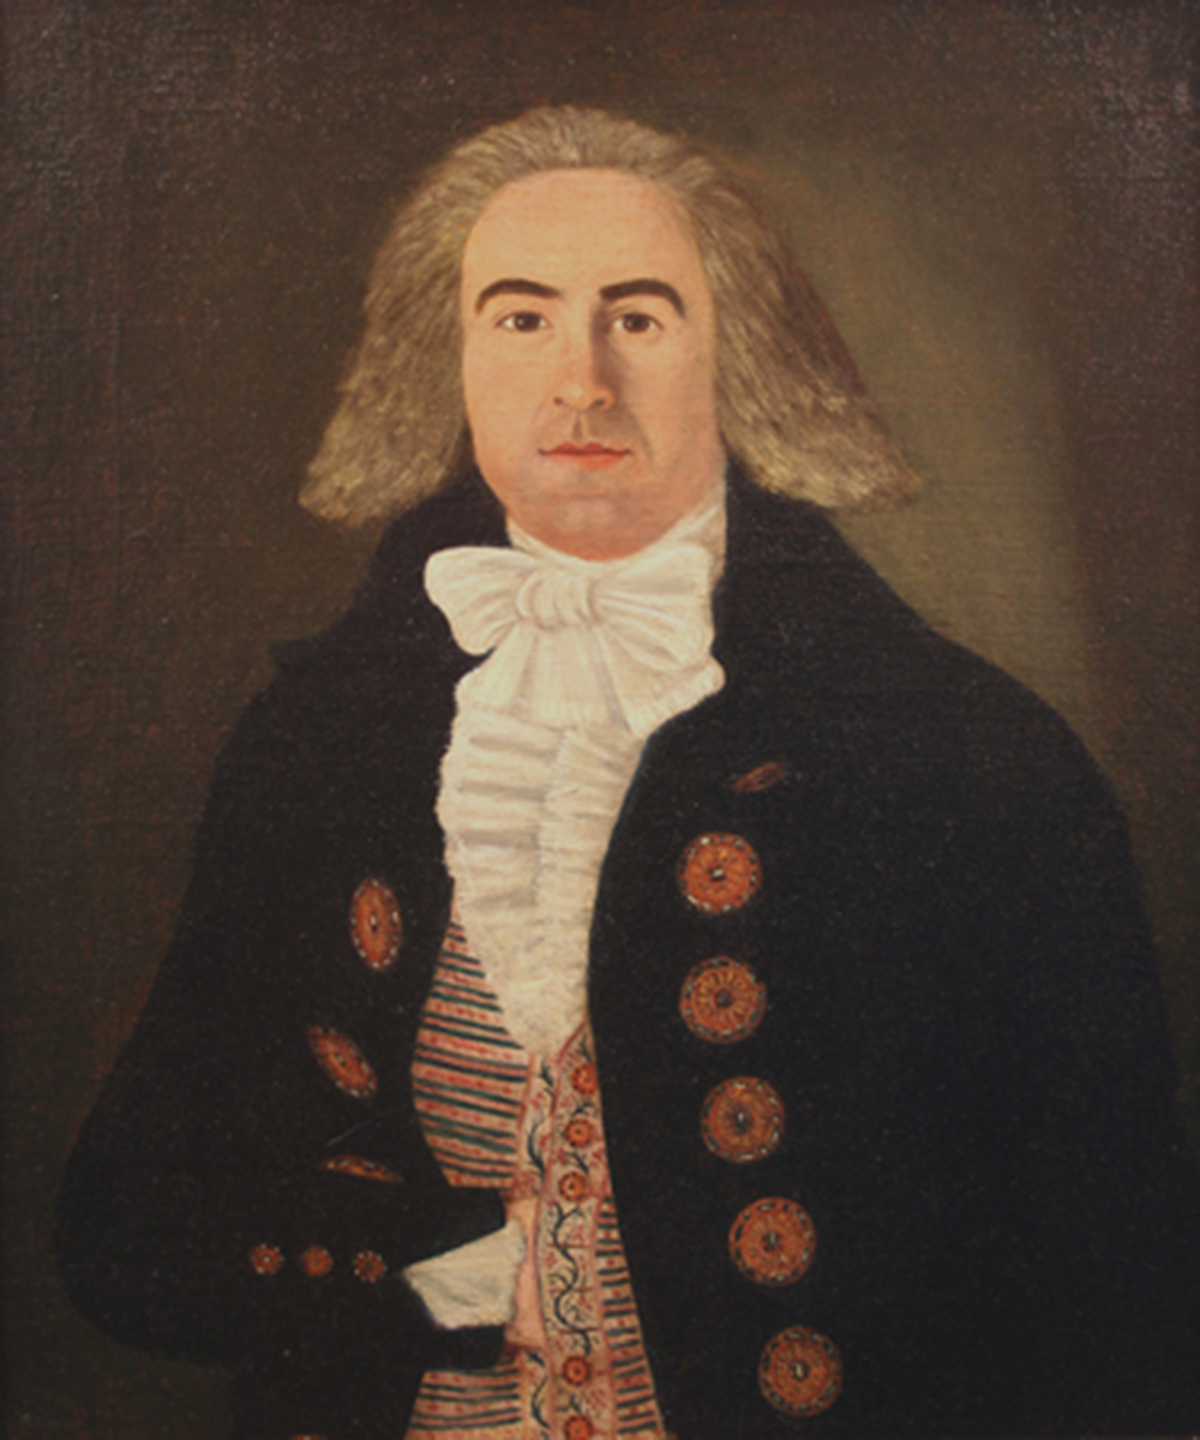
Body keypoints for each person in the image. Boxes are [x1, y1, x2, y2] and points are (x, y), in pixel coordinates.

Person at [57, 106, 1200, 1439]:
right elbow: (124, 1229)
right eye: (521, 317)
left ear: (744, 358)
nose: (582, 381)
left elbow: (1117, 1304)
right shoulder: (317, 742)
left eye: (641, 318)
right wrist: (431, 1272)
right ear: (448, 360)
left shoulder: (970, 761)